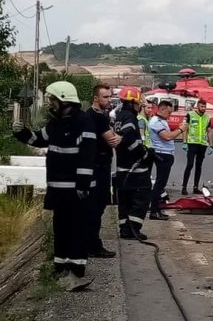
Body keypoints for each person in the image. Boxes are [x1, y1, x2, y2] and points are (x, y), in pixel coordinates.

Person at [13, 81, 96, 291]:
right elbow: (39, 139)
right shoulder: (56, 123)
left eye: (52, 99)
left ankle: (76, 271)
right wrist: (21, 133)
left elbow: (87, 156)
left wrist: (83, 186)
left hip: (77, 190)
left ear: (62, 100)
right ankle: (60, 270)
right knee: (60, 229)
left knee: (77, 230)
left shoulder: (83, 121)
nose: (50, 103)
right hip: (58, 190)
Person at [87, 84, 122, 258]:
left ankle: (90, 243)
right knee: (97, 207)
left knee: (94, 207)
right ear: (96, 98)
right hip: (99, 166)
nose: (109, 100)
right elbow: (113, 141)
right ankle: (93, 245)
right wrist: (121, 135)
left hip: (95, 165)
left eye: (110, 96)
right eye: (106, 97)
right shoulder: (98, 118)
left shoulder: (89, 115)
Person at [115, 87, 153, 240]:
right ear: (132, 103)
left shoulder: (120, 116)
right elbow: (131, 141)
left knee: (124, 200)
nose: (139, 107)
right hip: (134, 167)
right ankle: (134, 228)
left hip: (122, 167)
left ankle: (125, 228)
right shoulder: (130, 118)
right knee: (141, 197)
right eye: (138, 104)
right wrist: (145, 153)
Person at [148, 101, 187, 220]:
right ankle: (154, 211)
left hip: (166, 154)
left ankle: (157, 209)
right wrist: (181, 130)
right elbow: (167, 137)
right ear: (162, 109)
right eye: (169, 112)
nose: (169, 115)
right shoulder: (156, 122)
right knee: (160, 184)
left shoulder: (162, 121)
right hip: (162, 154)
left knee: (161, 184)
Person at [181, 99, 213, 195]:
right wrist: (184, 142)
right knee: (190, 164)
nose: (204, 108)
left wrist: (211, 145)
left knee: (199, 166)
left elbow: (209, 131)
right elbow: (185, 129)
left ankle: (196, 187)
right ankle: (184, 187)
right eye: (202, 106)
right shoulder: (190, 115)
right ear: (198, 106)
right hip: (192, 143)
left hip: (202, 144)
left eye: (205, 106)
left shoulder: (207, 117)